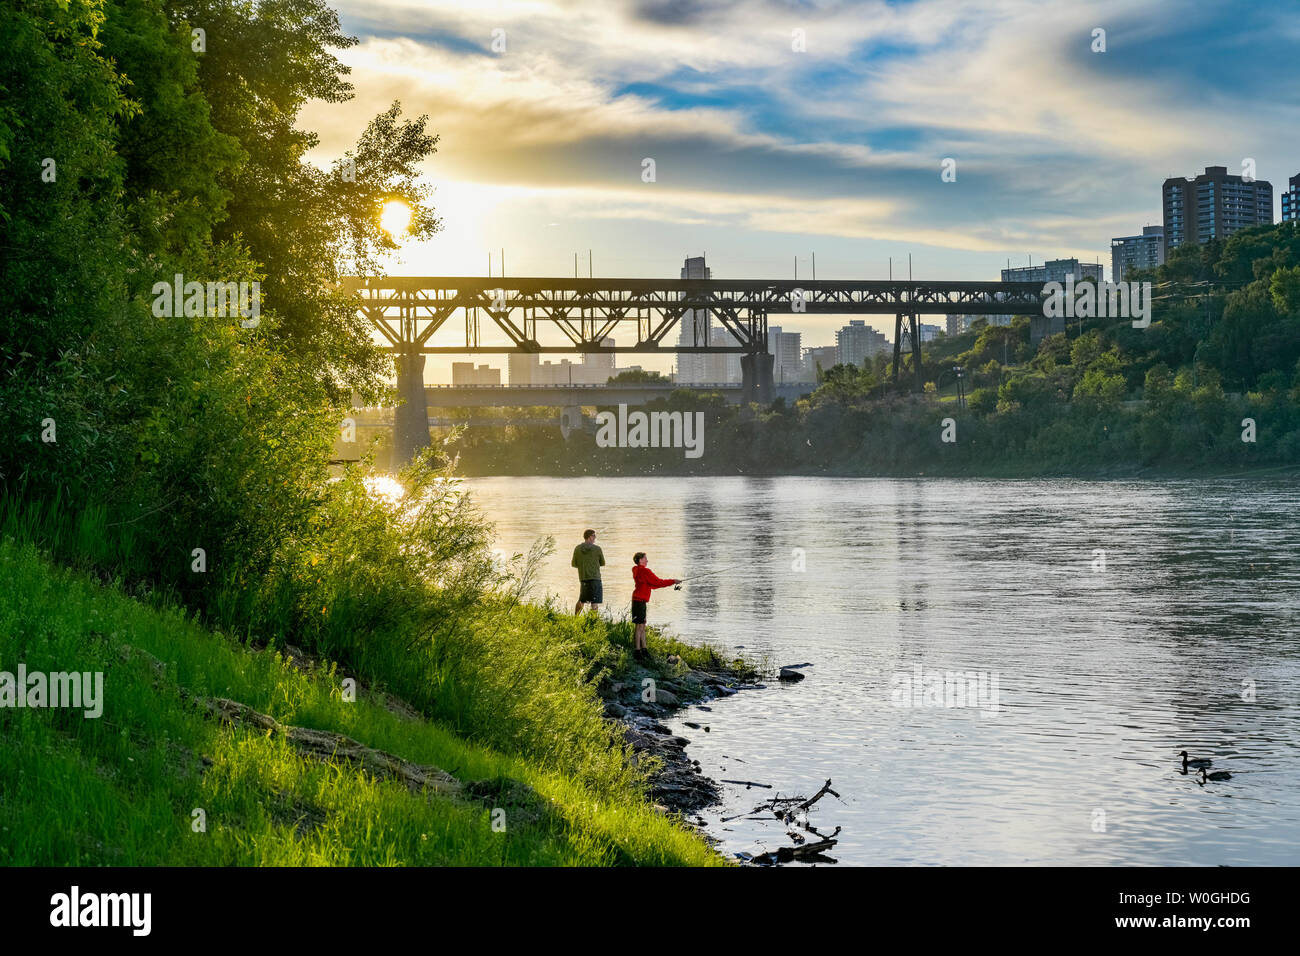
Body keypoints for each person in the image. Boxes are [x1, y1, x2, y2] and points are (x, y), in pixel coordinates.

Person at [630, 552, 679, 660]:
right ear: (640, 560)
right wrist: (673, 581)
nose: (647, 561)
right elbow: (658, 582)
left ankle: (644, 649)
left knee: (642, 625)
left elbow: (652, 584)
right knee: (639, 627)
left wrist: (670, 583)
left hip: (639, 601)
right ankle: (637, 652)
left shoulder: (638, 571)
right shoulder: (645, 571)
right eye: (645, 558)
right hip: (639, 601)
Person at [572, 529, 605, 614]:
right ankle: (593, 622)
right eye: (594, 536)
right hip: (595, 579)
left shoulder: (577, 548)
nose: (595, 538)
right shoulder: (597, 549)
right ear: (590, 537)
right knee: (594, 603)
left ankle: (575, 618)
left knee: (581, 600)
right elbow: (602, 563)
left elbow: (574, 564)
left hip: (583, 578)